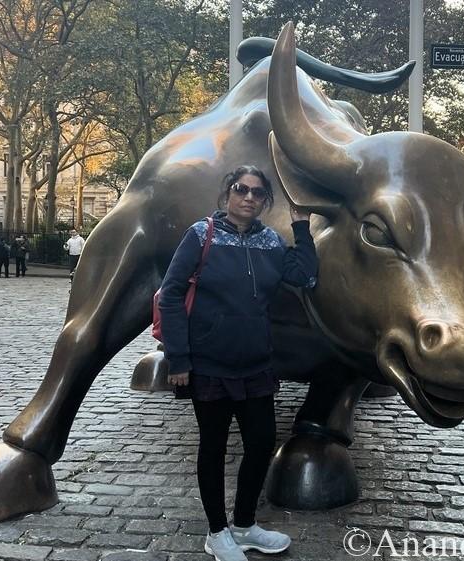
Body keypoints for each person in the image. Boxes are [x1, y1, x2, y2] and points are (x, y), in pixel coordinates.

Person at [158, 165, 318, 561]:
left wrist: (301, 228)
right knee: (212, 449)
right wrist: (178, 358)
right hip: (209, 364)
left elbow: (304, 276)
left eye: (257, 193)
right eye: (240, 189)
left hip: (256, 365)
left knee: (262, 444)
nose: (248, 197)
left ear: (265, 201)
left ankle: (245, 524)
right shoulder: (201, 235)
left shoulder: (271, 241)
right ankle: (217, 532)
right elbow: (171, 296)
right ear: (227, 193)